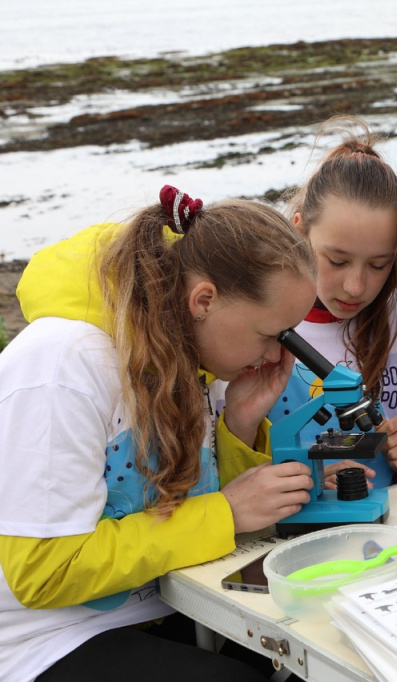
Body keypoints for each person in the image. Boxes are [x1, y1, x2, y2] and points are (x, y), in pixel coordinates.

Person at [0, 187, 320, 682]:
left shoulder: (192, 359)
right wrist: (226, 513)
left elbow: (188, 513)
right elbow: (45, 571)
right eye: (272, 335)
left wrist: (239, 424)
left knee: (313, 653)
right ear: (204, 300)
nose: (278, 356)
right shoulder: (63, 366)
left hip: (162, 601)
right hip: (39, 635)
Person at [269, 119, 397, 486]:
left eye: (379, 264)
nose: (356, 286)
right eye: (337, 261)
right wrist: (308, 481)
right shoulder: (263, 328)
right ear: (299, 231)